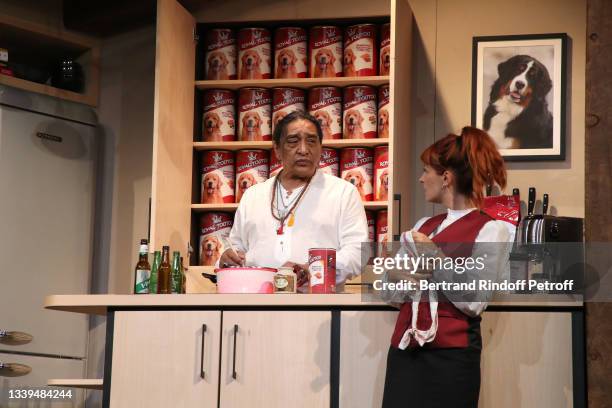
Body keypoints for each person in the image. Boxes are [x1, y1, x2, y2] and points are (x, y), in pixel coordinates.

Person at [381, 126, 515, 408]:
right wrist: (391, 277)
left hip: (451, 359)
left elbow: (473, 301)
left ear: (446, 177)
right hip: (405, 351)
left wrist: (434, 257)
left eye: (426, 170)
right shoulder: (422, 226)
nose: (420, 178)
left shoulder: (491, 230)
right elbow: (391, 296)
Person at [219, 111, 368, 286]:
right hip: (257, 302)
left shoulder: (343, 192)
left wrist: (314, 268)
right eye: (293, 141)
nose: (304, 150)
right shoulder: (253, 195)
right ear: (277, 149)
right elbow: (236, 247)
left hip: (319, 304)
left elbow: (358, 251)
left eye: (312, 141)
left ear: (321, 148)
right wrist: (228, 257)